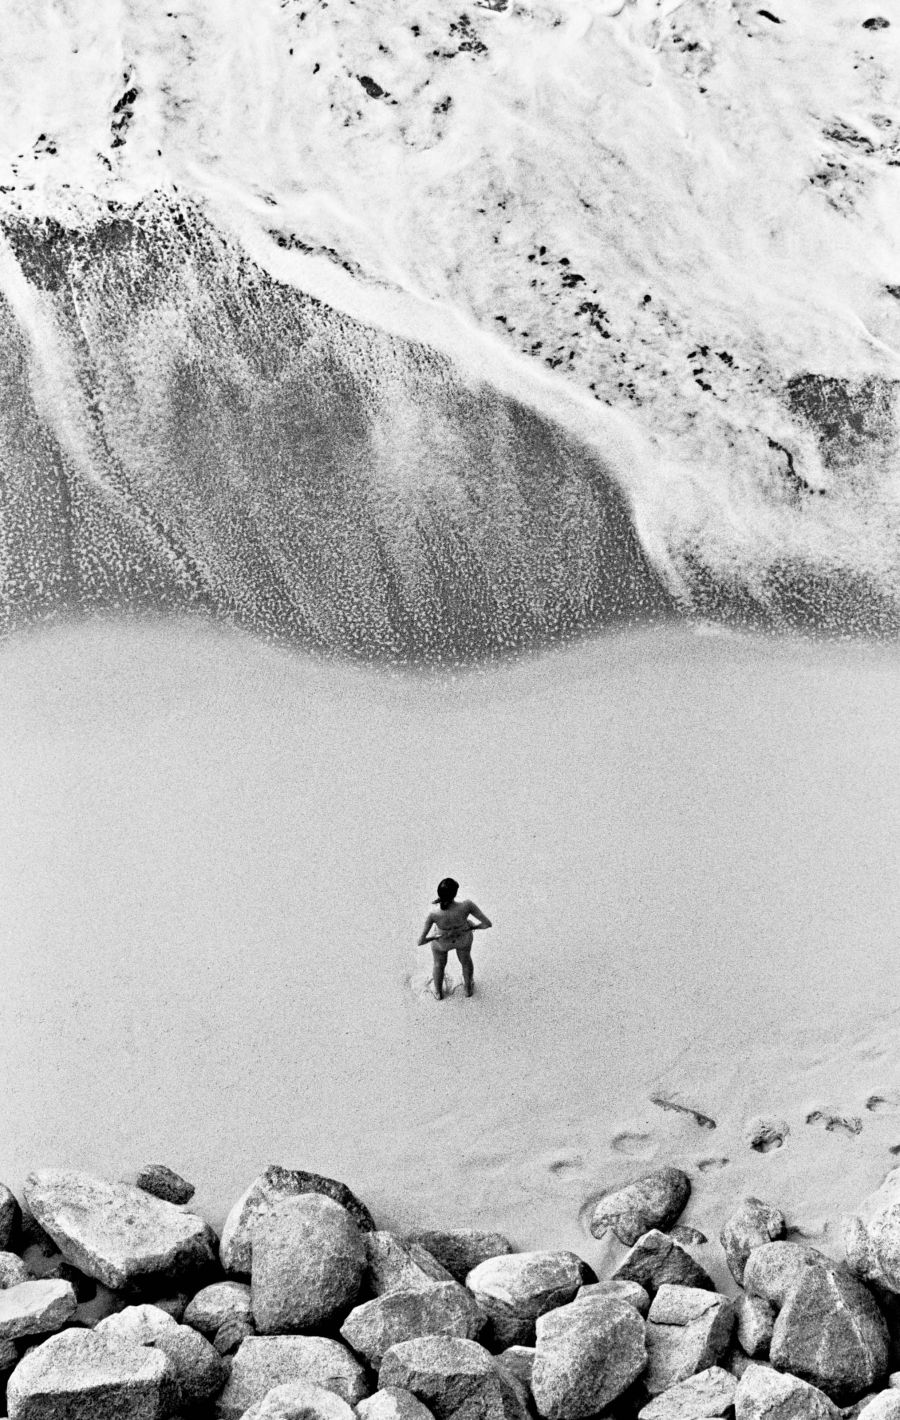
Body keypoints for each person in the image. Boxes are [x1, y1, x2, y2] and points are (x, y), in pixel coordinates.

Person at [418, 877, 492, 999]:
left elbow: (421, 941)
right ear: (455, 893)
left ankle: (438, 992)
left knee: (439, 964)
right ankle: (468, 988)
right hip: (463, 938)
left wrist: (436, 936)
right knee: (466, 961)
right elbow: (487, 924)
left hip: (442, 943)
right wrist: (471, 927)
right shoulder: (467, 905)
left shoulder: (433, 914)